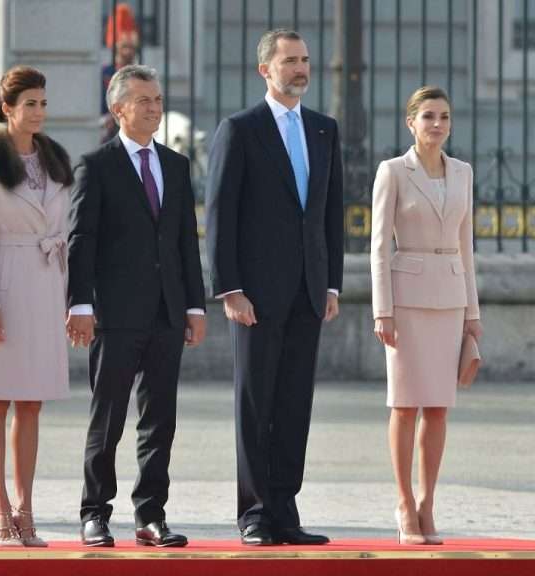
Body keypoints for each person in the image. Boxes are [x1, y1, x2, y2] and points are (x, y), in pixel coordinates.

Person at [205, 28, 343, 546]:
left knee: (293, 405)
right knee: (255, 403)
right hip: (256, 296)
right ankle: (255, 513)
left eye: (304, 59)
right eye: (290, 61)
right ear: (265, 69)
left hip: (309, 292)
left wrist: (331, 285)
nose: (300, 68)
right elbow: (220, 214)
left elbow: (330, 215)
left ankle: (285, 510)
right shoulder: (240, 129)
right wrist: (229, 288)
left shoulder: (325, 129)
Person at [68, 64, 206, 548]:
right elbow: (81, 240)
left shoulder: (176, 165)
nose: (154, 108)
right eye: (144, 100)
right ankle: (94, 512)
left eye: (158, 100)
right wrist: (80, 304)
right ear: (118, 109)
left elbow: (185, 240)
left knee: (159, 420)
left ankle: (151, 514)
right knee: (108, 418)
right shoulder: (96, 165)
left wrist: (195, 306)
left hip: (167, 312)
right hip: (115, 313)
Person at [0, 65, 73, 546]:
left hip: (46, 284)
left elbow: (65, 230)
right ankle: (0, 508)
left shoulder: (55, 158)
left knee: (32, 401)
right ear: (7, 108)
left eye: (43, 103)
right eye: (30, 103)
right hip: (5, 282)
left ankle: (26, 510)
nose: (39, 112)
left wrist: (72, 299)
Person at [371, 86, 482, 545]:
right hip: (406, 302)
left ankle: (427, 504)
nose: (437, 124)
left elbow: (466, 245)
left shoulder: (463, 173)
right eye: (429, 116)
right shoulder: (393, 171)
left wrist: (472, 312)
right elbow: (379, 246)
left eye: (444, 117)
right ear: (411, 123)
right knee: (404, 404)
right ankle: (403, 503)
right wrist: (382, 310)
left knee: (438, 407)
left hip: (450, 299)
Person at [100, 3, 138, 143]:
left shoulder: (139, 74)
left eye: (132, 47)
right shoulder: (106, 73)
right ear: (116, 47)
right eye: (125, 46)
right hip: (110, 132)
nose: (128, 51)